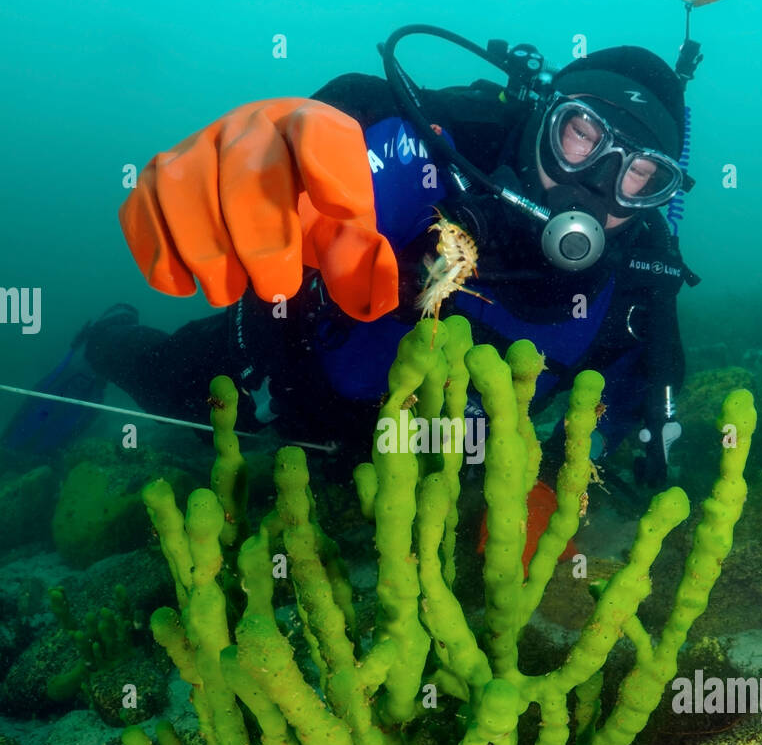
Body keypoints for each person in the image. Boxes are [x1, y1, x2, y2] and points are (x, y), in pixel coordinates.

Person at [8, 34, 699, 486]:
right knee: (174, 388)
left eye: (644, 174)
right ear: (541, 113)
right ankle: (101, 341)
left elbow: (632, 439)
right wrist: (273, 151)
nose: (598, 183)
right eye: (582, 133)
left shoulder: (640, 289)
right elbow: (340, 138)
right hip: (284, 378)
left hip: (422, 472)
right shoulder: (425, 150)